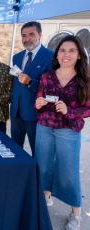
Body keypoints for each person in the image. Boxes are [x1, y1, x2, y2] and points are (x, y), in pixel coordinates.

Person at [35, 35, 90, 230]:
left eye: (71, 50)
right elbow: (40, 100)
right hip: (44, 126)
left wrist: (70, 111)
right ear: (57, 54)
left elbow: (88, 108)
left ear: (79, 55)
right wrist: (39, 104)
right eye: (62, 50)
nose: (66, 54)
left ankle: (76, 214)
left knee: (68, 171)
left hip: (68, 129)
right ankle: (45, 198)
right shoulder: (47, 76)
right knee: (42, 166)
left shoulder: (85, 78)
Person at [11, 21, 53, 155]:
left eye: (31, 34)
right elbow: (15, 83)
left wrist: (30, 82)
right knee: (15, 151)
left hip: (36, 114)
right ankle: (18, 175)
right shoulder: (16, 57)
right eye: (24, 35)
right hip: (16, 113)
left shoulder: (51, 57)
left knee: (38, 153)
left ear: (40, 35)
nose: (27, 38)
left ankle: (37, 176)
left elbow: (52, 88)